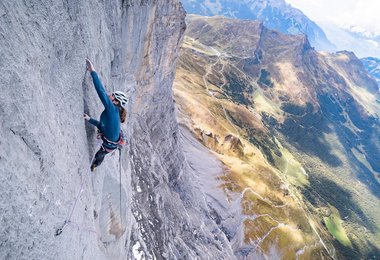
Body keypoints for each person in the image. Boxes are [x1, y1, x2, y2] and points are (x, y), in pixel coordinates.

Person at [84, 58, 128, 171]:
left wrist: (92, 71)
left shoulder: (112, 108)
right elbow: (103, 126)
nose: (110, 95)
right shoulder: (114, 111)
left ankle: (95, 165)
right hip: (110, 140)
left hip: (109, 144)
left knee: (100, 154)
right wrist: (90, 119)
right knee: (102, 153)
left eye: (112, 95)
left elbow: (101, 91)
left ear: (116, 101)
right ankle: (96, 163)